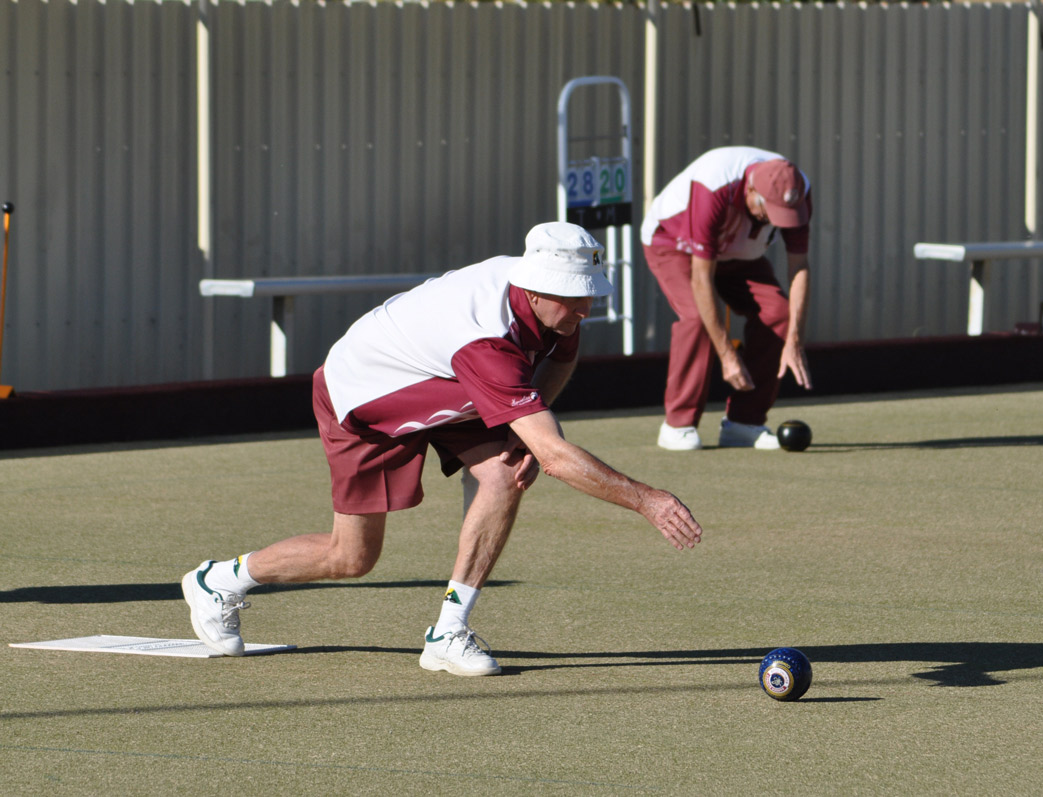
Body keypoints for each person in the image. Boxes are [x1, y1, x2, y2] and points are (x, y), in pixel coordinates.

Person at [182, 222, 703, 675]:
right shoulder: (487, 340)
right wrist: (646, 499)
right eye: (573, 296)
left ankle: (448, 633)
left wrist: (528, 425)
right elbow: (555, 457)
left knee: (501, 473)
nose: (585, 307)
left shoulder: (550, 304)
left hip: (448, 380)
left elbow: (560, 361)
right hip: (367, 396)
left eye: (589, 292)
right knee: (352, 558)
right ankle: (220, 581)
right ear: (534, 288)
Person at [641, 146, 815, 451]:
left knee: (779, 314)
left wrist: (795, 339)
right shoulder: (714, 184)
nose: (774, 220)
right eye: (769, 211)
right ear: (750, 190)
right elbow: (701, 277)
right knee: (697, 319)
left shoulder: (798, 190)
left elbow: (799, 266)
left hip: (739, 254)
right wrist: (726, 354)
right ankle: (677, 426)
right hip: (674, 244)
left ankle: (744, 423)